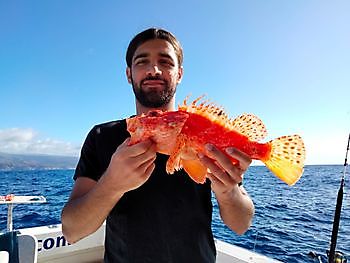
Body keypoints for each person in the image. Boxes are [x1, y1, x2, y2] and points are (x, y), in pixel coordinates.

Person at [61, 28, 255, 263]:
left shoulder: (205, 132)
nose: (154, 70)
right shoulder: (102, 136)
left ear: (179, 74)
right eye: (142, 62)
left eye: (165, 62)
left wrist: (228, 191)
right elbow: (72, 230)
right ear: (128, 74)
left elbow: (242, 224)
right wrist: (111, 185)